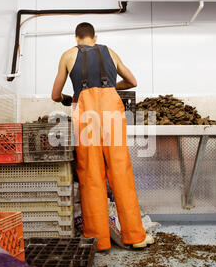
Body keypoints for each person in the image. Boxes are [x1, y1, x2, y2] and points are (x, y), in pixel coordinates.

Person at [51, 22, 154, 251]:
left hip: (86, 115)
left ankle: (99, 240)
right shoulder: (111, 52)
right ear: (94, 37)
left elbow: (55, 94)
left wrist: (67, 98)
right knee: (121, 173)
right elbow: (132, 81)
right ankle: (136, 236)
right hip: (112, 113)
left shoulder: (68, 55)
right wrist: (109, 86)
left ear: (76, 38)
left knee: (91, 175)